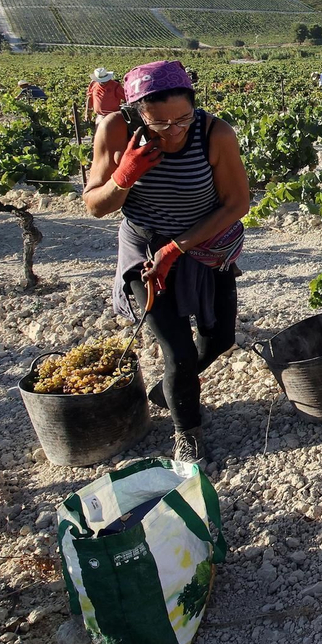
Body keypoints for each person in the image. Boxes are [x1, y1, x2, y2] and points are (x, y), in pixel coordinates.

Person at [83, 61, 251, 461]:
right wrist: (123, 176)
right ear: (138, 112)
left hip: (204, 243)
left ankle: (170, 389)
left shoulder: (215, 134)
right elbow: (94, 205)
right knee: (176, 350)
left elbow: (237, 203)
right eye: (160, 124)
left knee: (220, 338)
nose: (174, 132)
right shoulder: (115, 130)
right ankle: (186, 434)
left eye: (182, 120)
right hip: (145, 251)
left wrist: (176, 248)